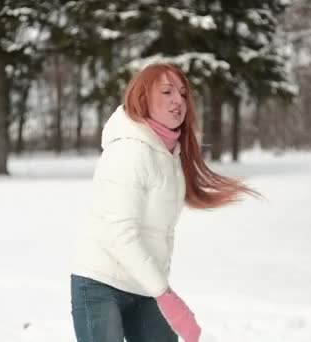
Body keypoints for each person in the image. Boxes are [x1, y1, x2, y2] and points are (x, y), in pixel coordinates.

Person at [70, 63, 257, 342]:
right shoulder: (128, 150)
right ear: (143, 98)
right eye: (167, 92)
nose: (178, 100)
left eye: (183, 94)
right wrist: (166, 295)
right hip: (100, 283)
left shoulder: (170, 153)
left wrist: (157, 289)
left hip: (143, 283)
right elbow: (119, 233)